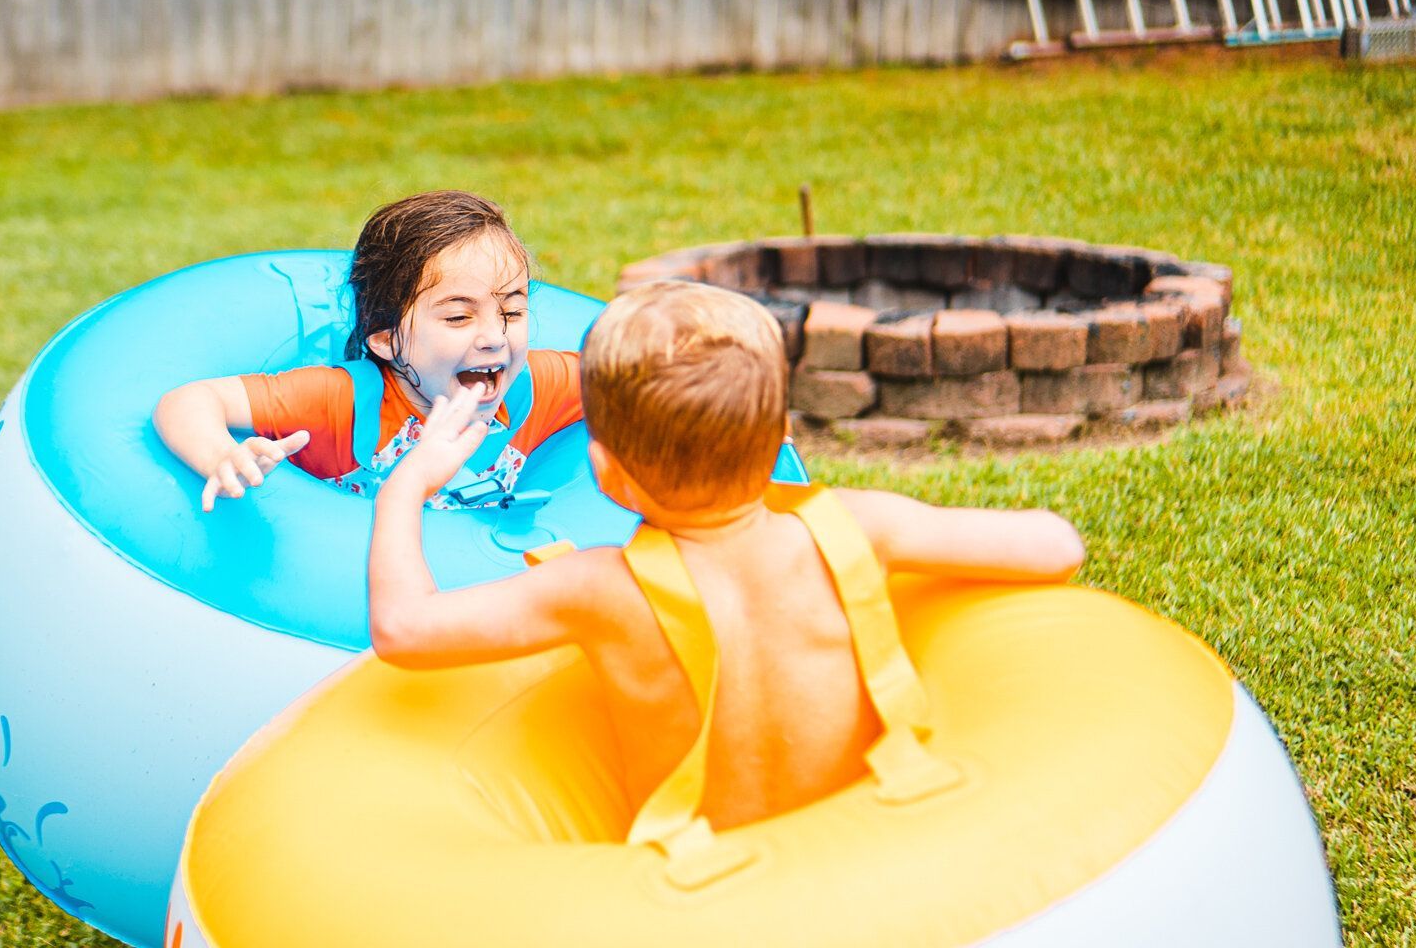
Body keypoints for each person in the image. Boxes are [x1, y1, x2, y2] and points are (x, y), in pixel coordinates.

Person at [367, 279, 1086, 832]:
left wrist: (405, 486)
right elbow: (1058, 546)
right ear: (777, 435)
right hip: (865, 845)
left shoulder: (598, 590)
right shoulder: (860, 526)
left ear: (608, 473)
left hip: (705, 895)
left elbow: (403, 629)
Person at [154, 190, 583, 512]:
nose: (494, 336)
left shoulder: (532, 391)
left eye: (512, 310)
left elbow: (633, 372)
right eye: (458, 318)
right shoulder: (341, 403)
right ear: (387, 339)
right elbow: (187, 401)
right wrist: (220, 455)